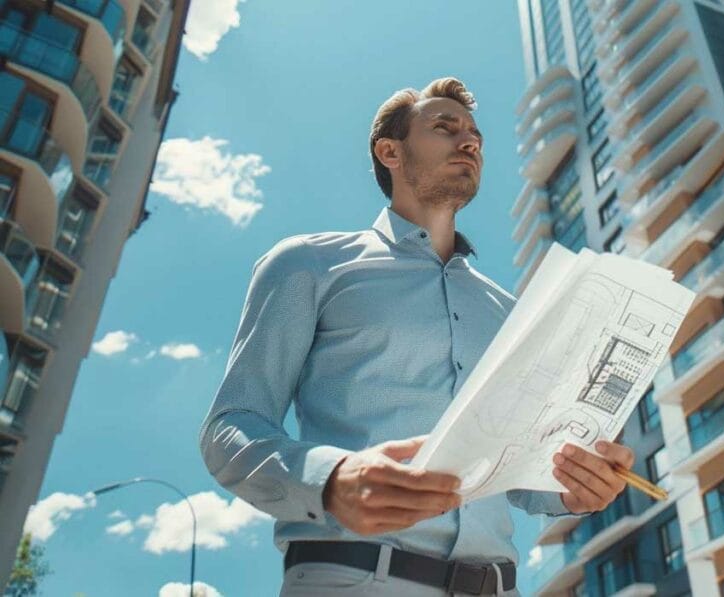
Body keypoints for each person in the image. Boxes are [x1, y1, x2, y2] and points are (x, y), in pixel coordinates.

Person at [198, 77, 635, 596]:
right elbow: (231, 428)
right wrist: (330, 479)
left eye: (475, 134)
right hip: (355, 578)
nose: (469, 141)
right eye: (445, 128)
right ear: (390, 151)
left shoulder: (511, 314)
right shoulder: (309, 264)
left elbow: (521, 475)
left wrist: (578, 486)